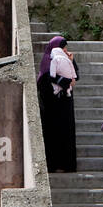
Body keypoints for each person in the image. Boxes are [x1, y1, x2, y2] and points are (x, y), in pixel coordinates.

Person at [37, 34, 79, 172]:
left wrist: (71, 61)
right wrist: (66, 82)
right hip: (52, 108)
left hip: (65, 106)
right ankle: (52, 164)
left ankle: (67, 165)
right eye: (63, 47)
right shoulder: (47, 62)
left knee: (67, 134)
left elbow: (76, 76)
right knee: (52, 135)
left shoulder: (66, 59)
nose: (66, 50)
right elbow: (45, 80)